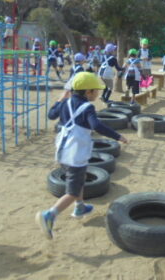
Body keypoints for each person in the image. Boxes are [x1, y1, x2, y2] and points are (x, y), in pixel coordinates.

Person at [36, 72, 128, 240]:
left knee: (79, 179)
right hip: (75, 154)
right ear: (88, 92)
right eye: (96, 91)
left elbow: (51, 115)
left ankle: (80, 207)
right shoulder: (87, 108)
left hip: (63, 151)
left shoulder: (66, 102)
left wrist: (61, 98)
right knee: (72, 191)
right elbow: (96, 125)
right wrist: (117, 136)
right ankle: (49, 215)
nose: (98, 94)